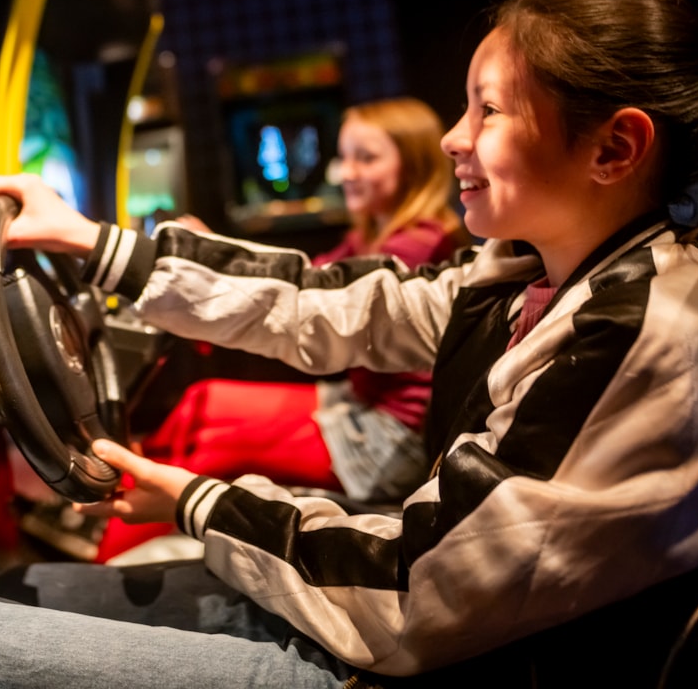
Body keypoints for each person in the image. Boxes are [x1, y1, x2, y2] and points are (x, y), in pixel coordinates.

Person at [0, 0, 698, 688]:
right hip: (422, 625)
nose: (451, 139)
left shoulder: (634, 328)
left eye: (488, 112)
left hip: (435, 662)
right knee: (17, 589)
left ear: (614, 150)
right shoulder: (537, 271)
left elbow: (415, 589)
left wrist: (195, 499)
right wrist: (97, 245)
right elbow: (328, 300)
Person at [92, 97, 469, 563]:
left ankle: (102, 557)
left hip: (388, 437)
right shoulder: (380, 230)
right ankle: (114, 492)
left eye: (366, 158)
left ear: (412, 165)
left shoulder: (417, 243)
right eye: (344, 156)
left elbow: (311, 301)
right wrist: (209, 252)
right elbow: (307, 276)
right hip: (361, 405)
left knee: (211, 448)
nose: (345, 172)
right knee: (203, 399)